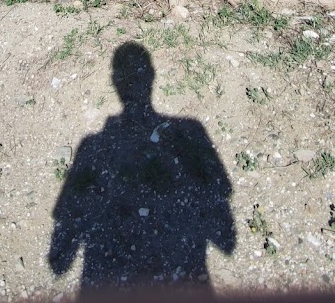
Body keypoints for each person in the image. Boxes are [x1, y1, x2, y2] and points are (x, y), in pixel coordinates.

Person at [49, 42, 235, 297]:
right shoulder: (192, 129)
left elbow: (58, 262)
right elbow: (226, 240)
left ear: (114, 81)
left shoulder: (91, 146)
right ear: (153, 77)